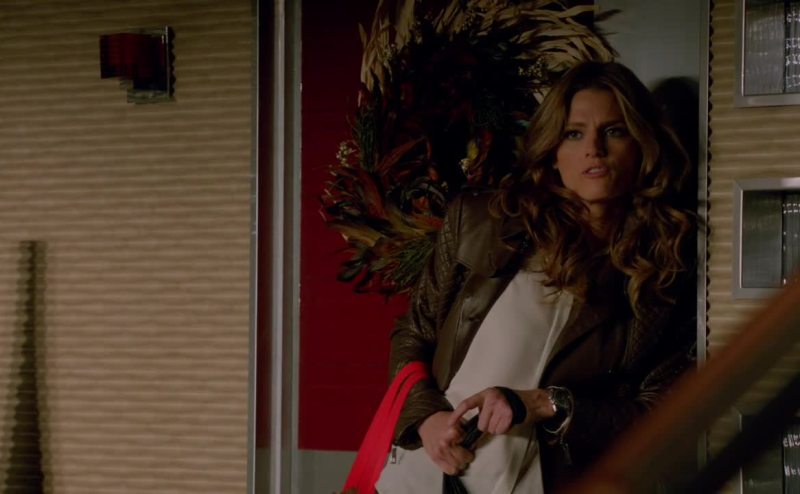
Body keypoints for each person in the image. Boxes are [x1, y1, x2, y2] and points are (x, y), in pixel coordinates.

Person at [375, 60, 696, 493]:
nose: (594, 149)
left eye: (614, 131)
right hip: (425, 475)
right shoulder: (479, 222)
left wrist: (545, 404)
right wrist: (427, 419)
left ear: (642, 144)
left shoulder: (662, 273)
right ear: (553, 151)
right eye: (574, 133)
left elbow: (660, 414)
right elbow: (414, 333)